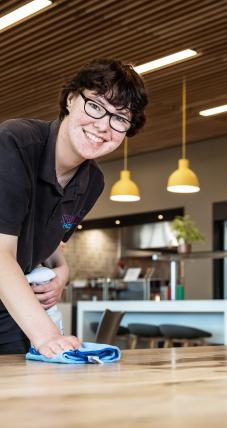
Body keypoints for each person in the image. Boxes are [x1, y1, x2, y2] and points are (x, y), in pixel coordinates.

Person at [0, 58, 148, 356]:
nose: (103, 126)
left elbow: (48, 235)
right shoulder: (14, 142)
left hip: (11, 307)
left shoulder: (92, 182)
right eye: (95, 106)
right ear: (70, 99)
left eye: (119, 118)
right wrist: (47, 336)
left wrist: (62, 269)